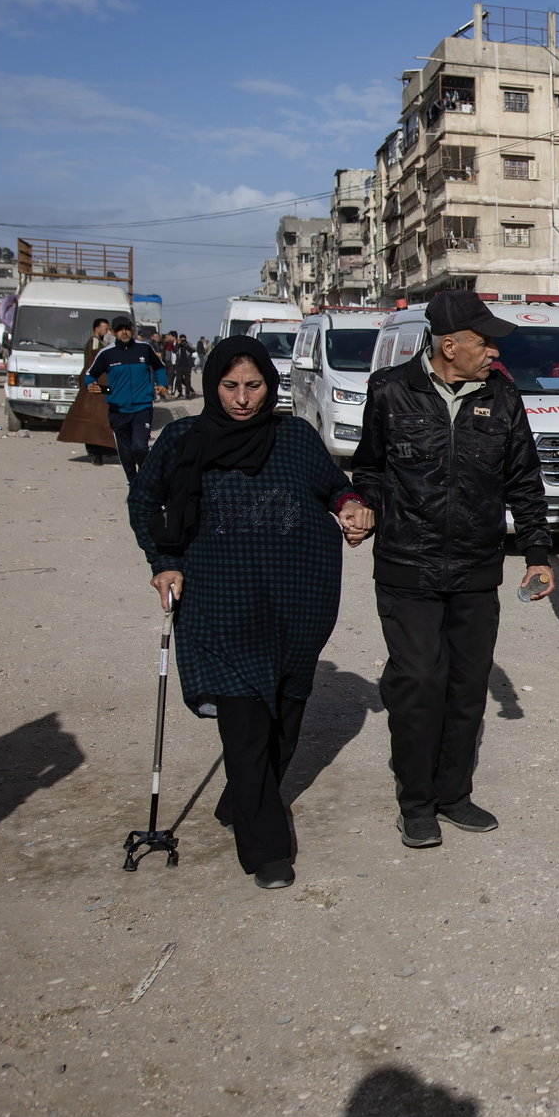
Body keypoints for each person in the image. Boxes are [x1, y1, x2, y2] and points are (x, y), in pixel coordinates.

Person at [127, 336, 375, 889]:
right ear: (213, 385)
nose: (242, 399)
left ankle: (240, 800)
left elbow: (335, 488)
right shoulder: (183, 439)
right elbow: (144, 501)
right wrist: (163, 562)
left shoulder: (295, 437)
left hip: (296, 604)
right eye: (230, 386)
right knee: (244, 728)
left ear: (270, 386)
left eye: (254, 386)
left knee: (284, 726)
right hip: (220, 606)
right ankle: (266, 851)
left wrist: (352, 507)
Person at [351, 290, 555, 850]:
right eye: (484, 342)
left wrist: (538, 555)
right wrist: (364, 506)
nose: (493, 351)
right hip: (407, 567)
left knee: (466, 687)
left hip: (475, 569)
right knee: (419, 682)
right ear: (449, 346)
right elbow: (369, 469)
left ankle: (453, 795)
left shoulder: (503, 398)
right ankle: (416, 804)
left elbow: (524, 482)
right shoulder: (390, 391)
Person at [84, 315, 168, 485]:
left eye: (127, 329)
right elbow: (90, 374)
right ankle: (133, 482)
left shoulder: (144, 349)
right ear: (113, 332)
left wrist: (162, 383)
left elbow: (159, 367)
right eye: (120, 329)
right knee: (126, 452)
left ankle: (144, 482)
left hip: (142, 408)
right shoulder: (106, 354)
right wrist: (90, 385)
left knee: (140, 446)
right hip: (118, 410)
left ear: (132, 330)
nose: (124, 332)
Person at [59, 317, 118, 464]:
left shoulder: (97, 352)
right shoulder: (97, 347)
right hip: (100, 390)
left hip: (94, 391)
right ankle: (103, 451)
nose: (107, 331)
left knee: (92, 423)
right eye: (105, 329)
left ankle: (98, 453)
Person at [174, 335, 197, 399]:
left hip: (187, 365)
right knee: (179, 380)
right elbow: (174, 351)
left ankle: (187, 394)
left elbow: (193, 350)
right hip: (179, 365)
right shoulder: (178, 345)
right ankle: (180, 393)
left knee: (187, 381)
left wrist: (186, 345)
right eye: (182, 340)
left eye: (184, 340)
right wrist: (178, 344)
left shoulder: (189, 344)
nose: (183, 341)